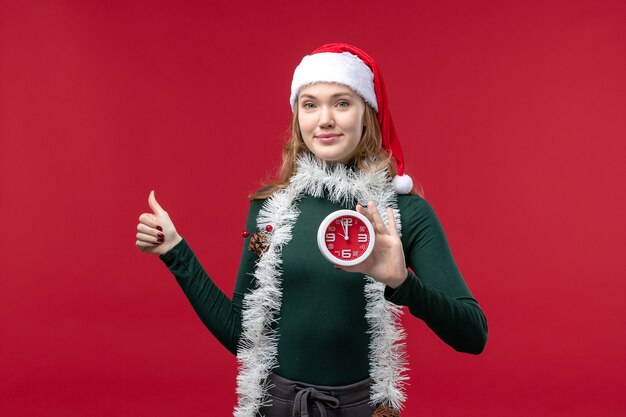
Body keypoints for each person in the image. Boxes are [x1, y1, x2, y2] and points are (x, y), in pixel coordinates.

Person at [135, 43, 488, 417]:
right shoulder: (271, 208)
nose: (324, 119)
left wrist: (404, 284)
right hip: (276, 408)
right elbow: (244, 336)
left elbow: (473, 335)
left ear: (367, 114)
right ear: (297, 117)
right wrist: (175, 251)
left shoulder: (403, 213)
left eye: (341, 103)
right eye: (310, 104)